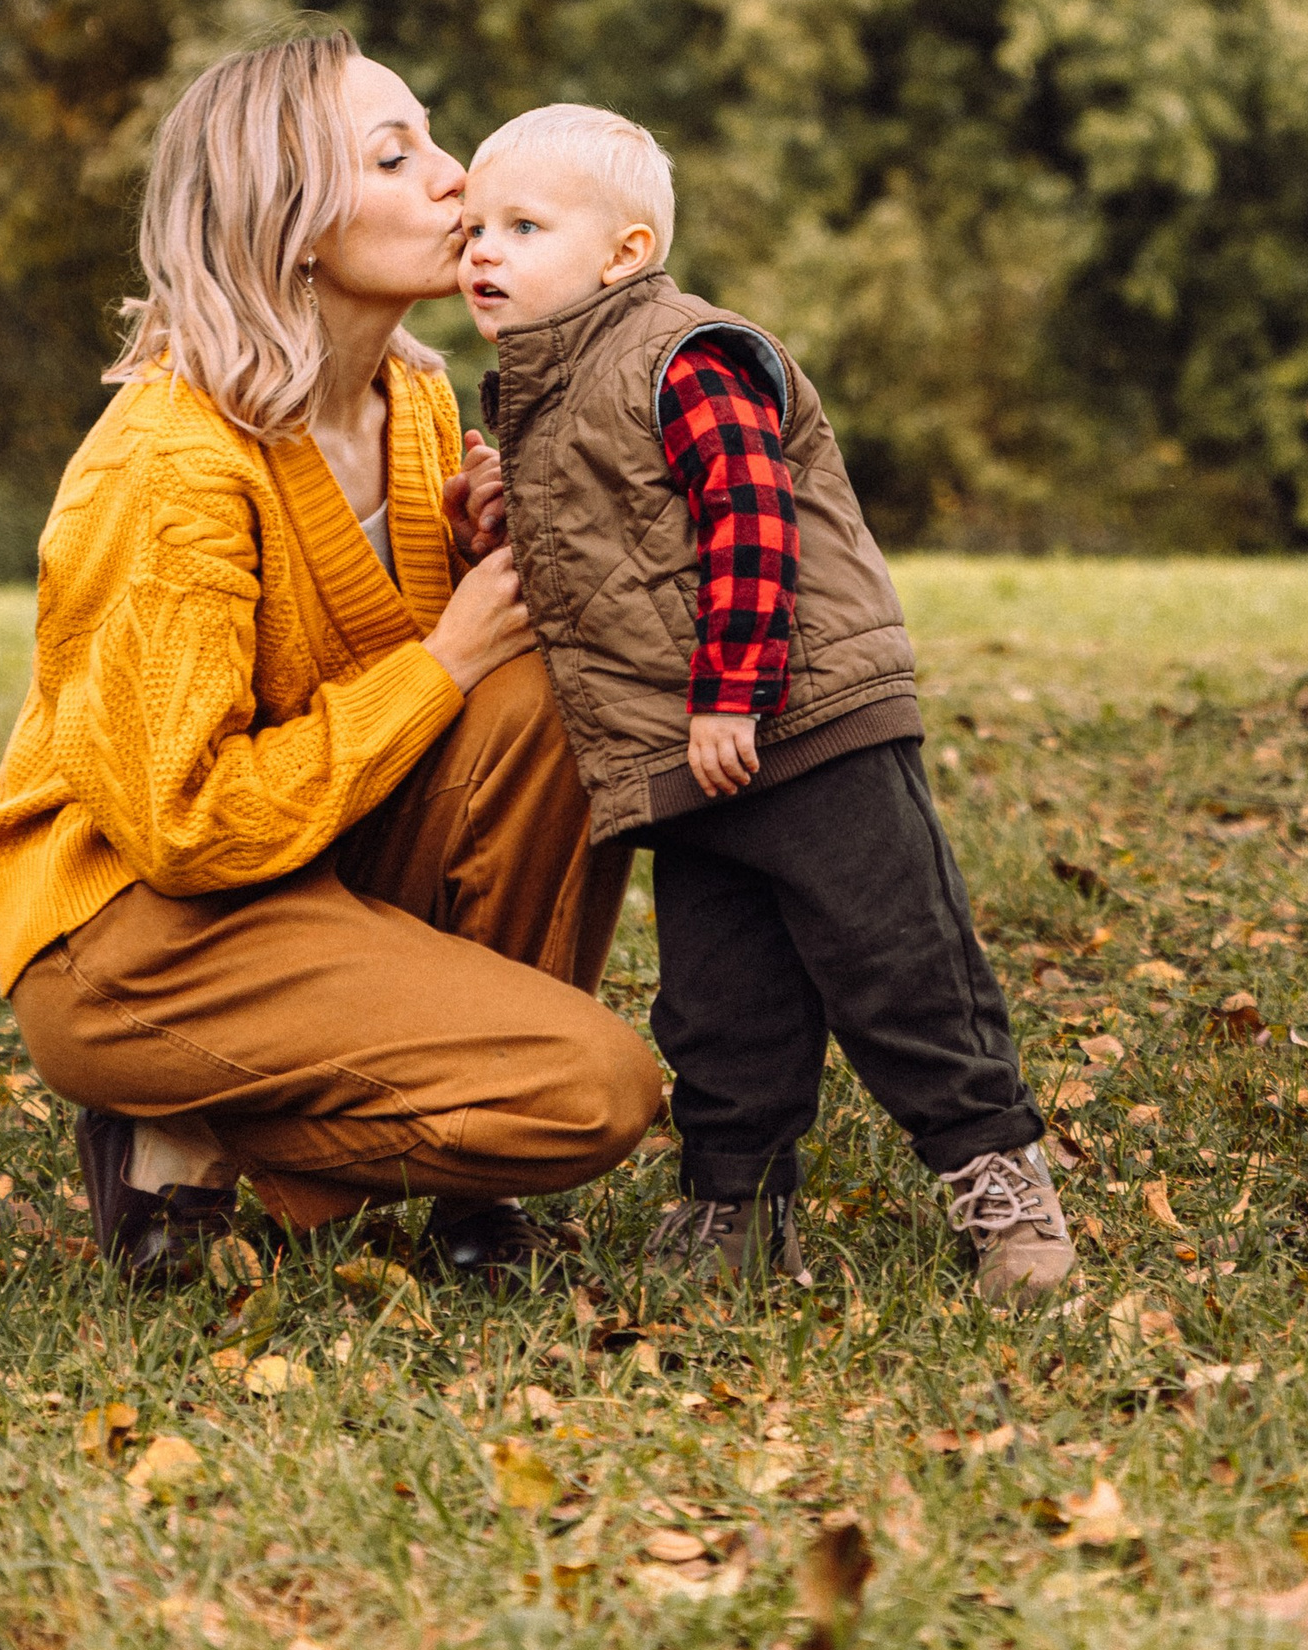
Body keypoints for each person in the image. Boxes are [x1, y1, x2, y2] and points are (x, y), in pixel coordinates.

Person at [0, 31, 662, 1283]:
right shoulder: (169, 464)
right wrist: (441, 660)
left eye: (432, 140)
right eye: (396, 157)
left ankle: (350, 1167)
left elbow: (472, 731)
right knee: (593, 1092)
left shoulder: (420, 406)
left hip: (319, 872)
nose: (455, 178)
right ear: (287, 226)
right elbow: (182, 824)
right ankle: (170, 1124)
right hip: (147, 934)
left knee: (551, 693)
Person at [456, 102, 1074, 1302]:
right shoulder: (538, 393)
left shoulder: (678, 355)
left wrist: (733, 695)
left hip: (798, 723)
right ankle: (735, 1208)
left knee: (899, 961)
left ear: (623, 254)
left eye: (523, 226)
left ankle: (1005, 1196)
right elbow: (611, 542)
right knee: (717, 997)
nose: (483, 248)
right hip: (688, 752)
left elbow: (748, 518)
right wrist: (499, 514)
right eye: (474, 225)